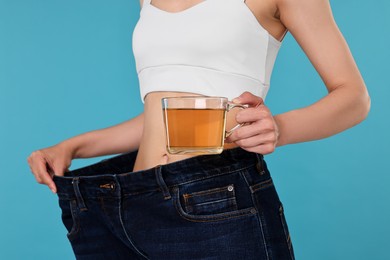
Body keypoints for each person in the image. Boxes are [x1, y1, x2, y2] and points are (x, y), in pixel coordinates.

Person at [27, 0, 370, 259]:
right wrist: (72, 147)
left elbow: (353, 97)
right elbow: (161, 117)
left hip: (212, 199)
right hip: (129, 199)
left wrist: (278, 127)